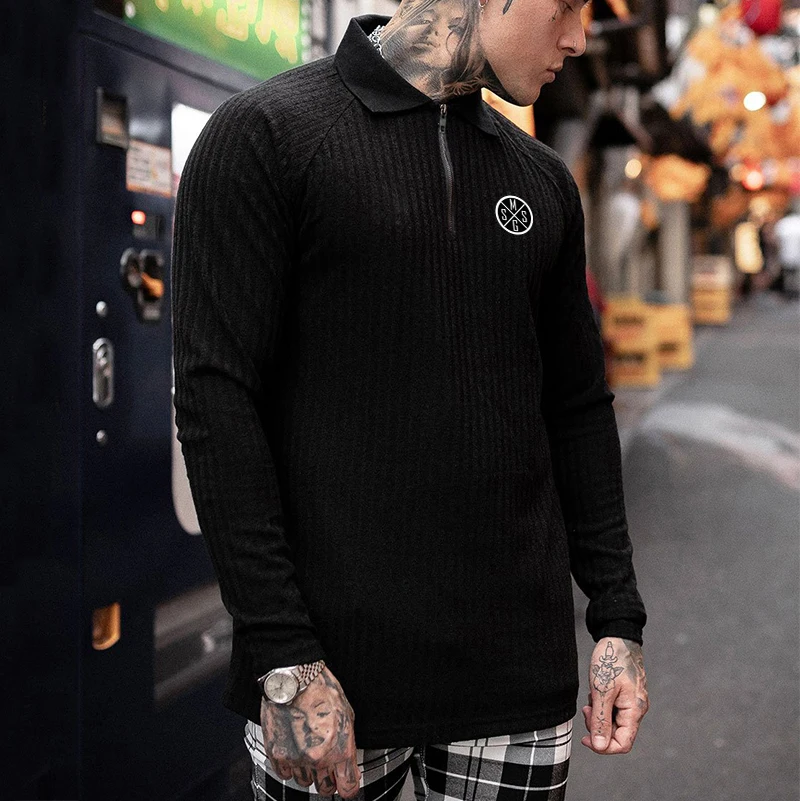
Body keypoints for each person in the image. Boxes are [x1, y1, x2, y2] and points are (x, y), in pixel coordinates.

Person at [171, 0, 649, 799]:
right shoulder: (266, 136)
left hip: (516, 672)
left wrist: (617, 618)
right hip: (328, 676)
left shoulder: (542, 181)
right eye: (567, 6)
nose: (577, 38)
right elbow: (217, 402)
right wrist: (283, 656)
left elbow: (577, 408)